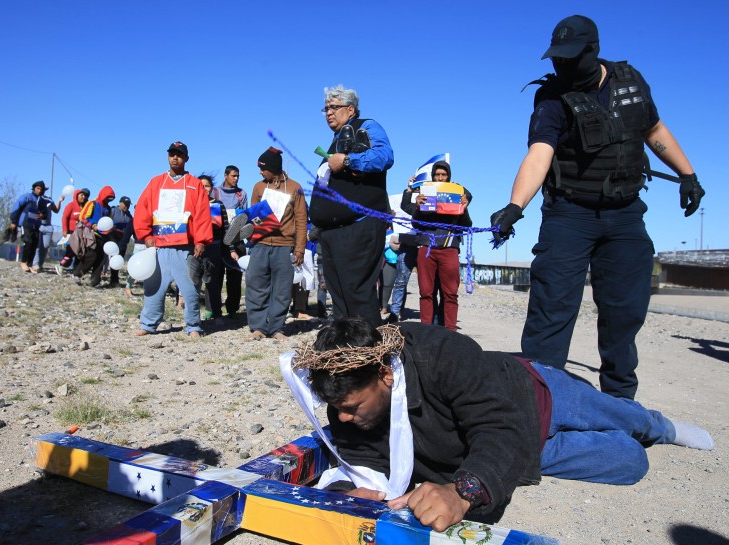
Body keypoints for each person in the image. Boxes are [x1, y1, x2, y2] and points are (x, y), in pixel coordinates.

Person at [282, 317, 714, 531]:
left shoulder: (441, 353)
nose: (341, 418)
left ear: (386, 375)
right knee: (630, 463)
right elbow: (356, 458)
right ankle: (634, 441)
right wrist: (347, 490)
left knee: (624, 416)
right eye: (334, 408)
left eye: (352, 407)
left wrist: (462, 492)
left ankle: (662, 426)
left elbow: (497, 427)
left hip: (532, 395)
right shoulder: (347, 395)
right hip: (523, 448)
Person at [489, 15, 705, 399]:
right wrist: (514, 206)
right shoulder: (552, 97)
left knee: (625, 311)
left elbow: (653, 130)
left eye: (571, 57)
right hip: (569, 215)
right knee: (551, 308)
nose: (562, 64)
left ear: (593, 50)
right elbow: (540, 153)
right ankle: (540, 404)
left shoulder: (630, 81)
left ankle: (620, 403)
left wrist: (687, 175)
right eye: (557, 57)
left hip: (624, 213)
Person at [309, 84, 394, 327]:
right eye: (325, 108)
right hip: (333, 231)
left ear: (351, 109)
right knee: (339, 297)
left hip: (359, 225)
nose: (328, 113)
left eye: (334, 107)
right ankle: (347, 352)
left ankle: (372, 354)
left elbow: (384, 156)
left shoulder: (367, 126)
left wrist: (347, 160)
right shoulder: (335, 140)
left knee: (357, 292)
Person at [132, 141, 212, 338]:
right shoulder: (156, 182)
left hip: (184, 247)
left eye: (179, 154)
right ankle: (148, 324)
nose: (175, 157)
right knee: (154, 288)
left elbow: (202, 214)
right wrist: (145, 235)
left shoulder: (194, 184)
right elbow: (143, 208)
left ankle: (193, 326)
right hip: (158, 246)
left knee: (190, 289)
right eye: (172, 154)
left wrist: (201, 240)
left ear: (186, 158)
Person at [245, 147, 307, 341]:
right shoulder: (258, 187)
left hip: (284, 245)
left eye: (263, 168)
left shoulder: (295, 187)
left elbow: (301, 220)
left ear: (274, 167)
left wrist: (300, 249)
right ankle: (258, 327)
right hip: (260, 244)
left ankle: (277, 327)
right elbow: (252, 217)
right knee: (256, 285)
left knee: (281, 288)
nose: (260, 172)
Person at [401, 161, 472, 331]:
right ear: (433, 177)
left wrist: (464, 208)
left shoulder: (457, 195)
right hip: (427, 249)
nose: (440, 177)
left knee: (450, 293)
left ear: (449, 177)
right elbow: (416, 224)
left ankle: (450, 332)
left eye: (444, 175)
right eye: (437, 175)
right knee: (426, 292)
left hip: (449, 248)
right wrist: (418, 206)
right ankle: (426, 331)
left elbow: (467, 225)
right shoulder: (425, 197)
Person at [198, 174, 243, 327]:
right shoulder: (192, 204)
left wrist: (231, 249)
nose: (204, 189)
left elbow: (226, 229)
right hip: (196, 249)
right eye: (201, 185)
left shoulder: (218, 205)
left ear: (212, 188)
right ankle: (195, 316)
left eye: (207, 186)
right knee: (196, 282)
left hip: (215, 247)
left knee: (214, 282)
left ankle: (217, 313)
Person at [211, 165, 247, 320]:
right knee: (215, 275)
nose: (236, 179)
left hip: (236, 239)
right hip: (218, 240)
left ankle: (232, 308)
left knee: (235, 277)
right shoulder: (215, 192)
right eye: (233, 176)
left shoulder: (241, 194)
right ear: (225, 176)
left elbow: (245, 215)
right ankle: (213, 308)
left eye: (238, 176)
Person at [8, 181, 64, 273]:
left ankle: (30, 264)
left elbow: (46, 213)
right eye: (38, 188)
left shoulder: (43, 201)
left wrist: (43, 215)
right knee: (28, 242)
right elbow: (16, 208)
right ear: (34, 188)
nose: (40, 190)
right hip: (25, 224)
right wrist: (14, 221)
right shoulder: (27, 197)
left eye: (42, 189)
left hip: (37, 225)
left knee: (34, 245)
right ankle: (23, 262)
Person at [73, 186, 115, 287]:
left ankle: (95, 280)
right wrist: (93, 225)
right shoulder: (92, 203)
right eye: (107, 198)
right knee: (91, 255)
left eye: (111, 199)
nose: (108, 200)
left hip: (103, 236)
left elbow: (108, 221)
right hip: (91, 234)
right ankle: (78, 274)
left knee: (101, 258)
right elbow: (82, 217)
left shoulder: (108, 208)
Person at [57, 188, 90, 274]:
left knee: (80, 252)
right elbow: (64, 217)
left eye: (84, 195)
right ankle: (61, 266)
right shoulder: (70, 205)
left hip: (82, 233)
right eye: (81, 195)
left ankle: (76, 269)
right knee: (71, 251)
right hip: (71, 232)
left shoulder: (85, 207)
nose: (83, 197)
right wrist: (65, 229)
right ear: (76, 196)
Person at [109, 196, 133, 287]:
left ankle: (115, 279)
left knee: (119, 259)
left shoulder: (129, 216)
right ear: (120, 203)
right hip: (112, 239)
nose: (126, 206)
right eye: (125, 204)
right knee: (113, 258)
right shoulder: (113, 211)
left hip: (123, 240)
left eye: (128, 205)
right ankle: (112, 279)